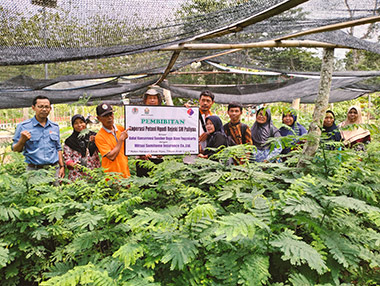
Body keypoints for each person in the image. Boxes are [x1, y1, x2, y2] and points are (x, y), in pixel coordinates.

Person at [12, 95, 65, 178]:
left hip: (53, 169)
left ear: (50, 108)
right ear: (33, 108)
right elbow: (15, 150)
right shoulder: (23, 126)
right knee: (34, 191)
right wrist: (22, 140)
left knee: (56, 191)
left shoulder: (55, 127)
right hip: (34, 170)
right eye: (40, 106)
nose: (44, 109)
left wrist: (62, 166)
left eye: (46, 107)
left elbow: (58, 148)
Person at [95, 102, 130, 178]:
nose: (109, 118)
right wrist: (121, 140)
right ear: (99, 118)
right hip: (111, 178)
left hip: (125, 174)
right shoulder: (99, 136)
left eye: (110, 114)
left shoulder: (120, 129)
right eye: (105, 116)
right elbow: (111, 156)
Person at [63, 114, 101, 181]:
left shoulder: (94, 136)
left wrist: (97, 140)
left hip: (93, 172)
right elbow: (66, 158)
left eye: (81, 122)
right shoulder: (70, 141)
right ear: (73, 126)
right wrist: (74, 164)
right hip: (77, 174)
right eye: (76, 123)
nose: (79, 125)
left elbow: (102, 150)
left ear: (85, 123)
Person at [136, 88, 164, 177]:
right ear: (145, 100)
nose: (152, 100)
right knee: (143, 186)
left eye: (154, 98)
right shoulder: (138, 116)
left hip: (158, 157)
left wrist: (164, 150)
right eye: (150, 98)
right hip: (142, 158)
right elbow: (134, 134)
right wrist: (140, 152)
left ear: (158, 100)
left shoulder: (164, 115)